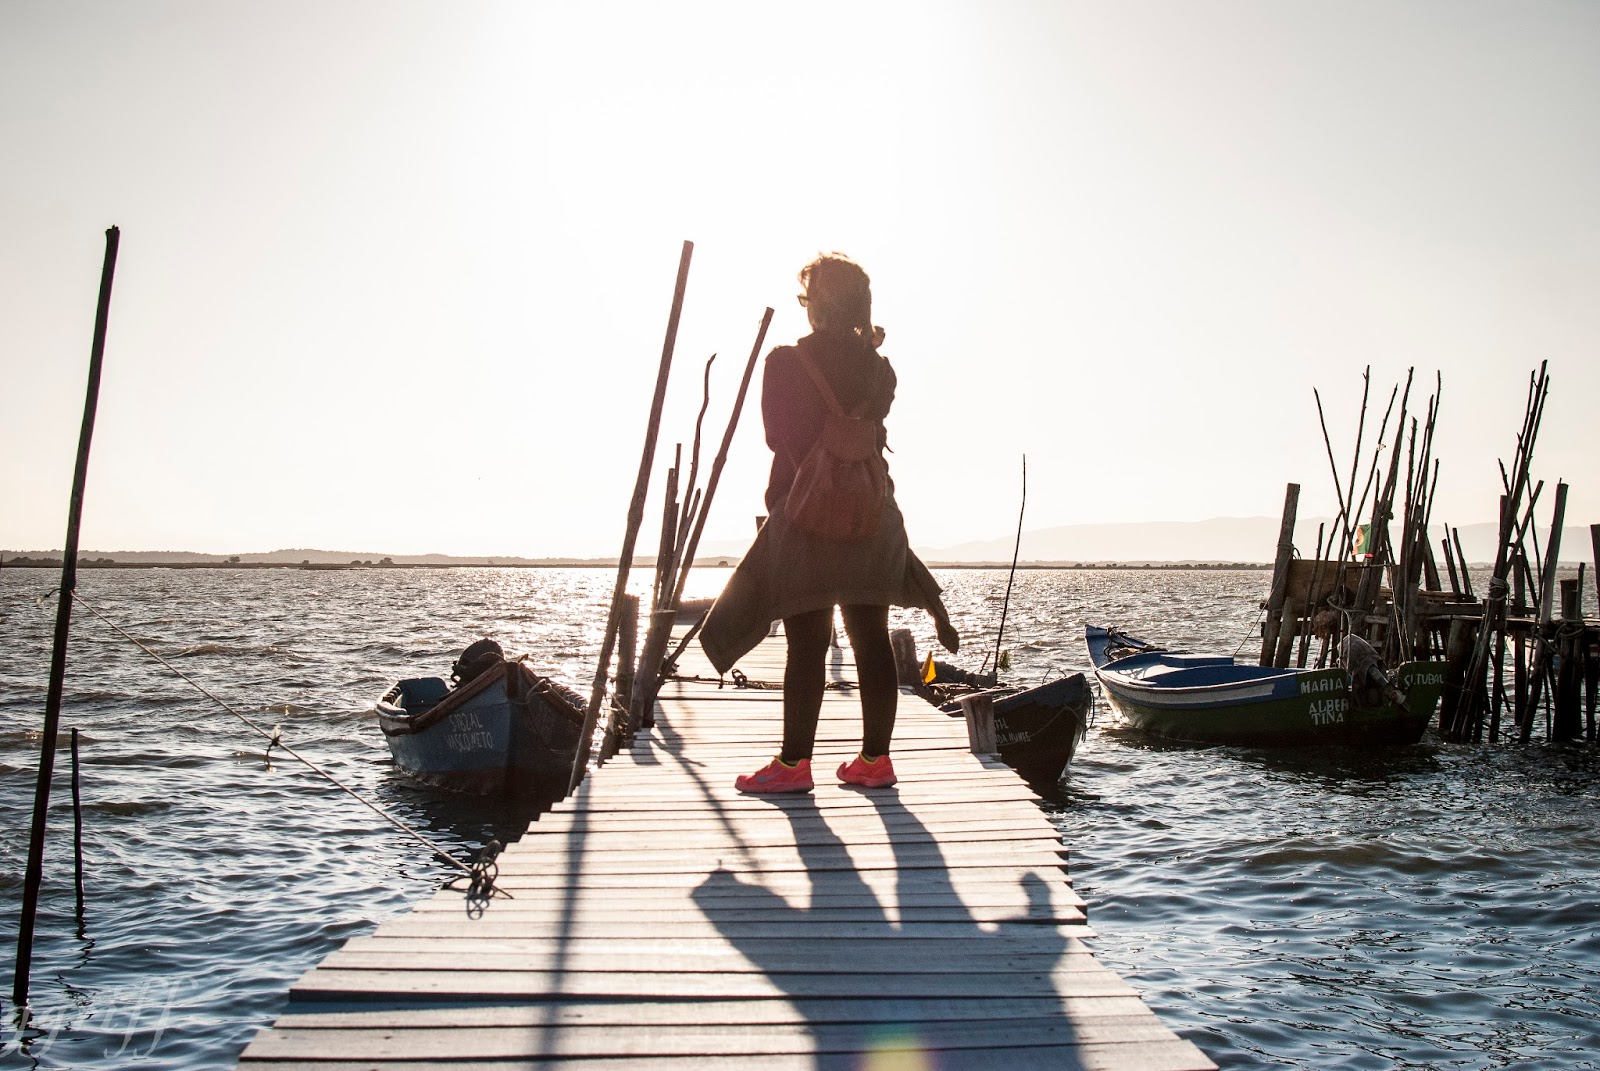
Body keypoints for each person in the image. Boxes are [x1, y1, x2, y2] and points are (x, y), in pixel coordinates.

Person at [699, 252, 959, 793]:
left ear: (816, 304)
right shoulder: (880, 370)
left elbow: (777, 437)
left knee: (807, 642)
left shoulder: (784, 363)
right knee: (871, 637)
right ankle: (875, 761)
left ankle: (794, 766)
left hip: (806, 516)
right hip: (870, 515)